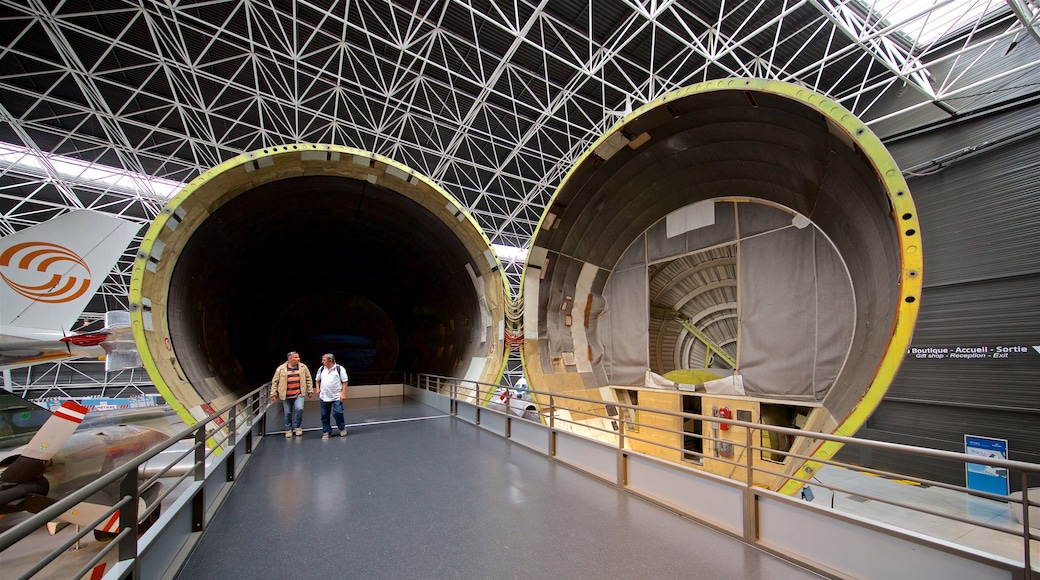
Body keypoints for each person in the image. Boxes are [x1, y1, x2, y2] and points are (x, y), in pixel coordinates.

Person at [269, 351, 314, 438]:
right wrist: (273, 394)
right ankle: (288, 429)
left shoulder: (303, 367)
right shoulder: (281, 369)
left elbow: (308, 378)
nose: (298, 359)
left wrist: (310, 390)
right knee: (287, 412)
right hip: (286, 395)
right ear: (290, 359)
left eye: (298, 357)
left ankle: (297, 427)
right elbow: (275, 382)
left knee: (299, 408)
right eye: (295, 357)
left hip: (299, 394)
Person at [315, 353, 348, 440]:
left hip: (336, 396)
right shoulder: (321, 369)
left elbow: (345, 382)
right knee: (324, 415)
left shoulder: (339, 369)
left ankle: (342, 427)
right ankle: (326, 431)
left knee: (338, 412)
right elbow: (317, 380)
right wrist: (317, 389)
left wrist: (343, 393)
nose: (322, 362)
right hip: (324, 396)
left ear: (330, 360)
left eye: (324, 360)